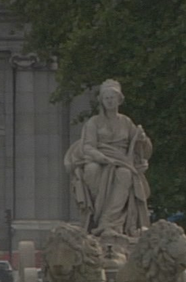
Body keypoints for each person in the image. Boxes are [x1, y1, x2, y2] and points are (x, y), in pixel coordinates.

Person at [63, 79, 153, 243]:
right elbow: (88, 147)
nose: (110, 101)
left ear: (119, 99)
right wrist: (102, 158)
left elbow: (140, 147)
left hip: (122, 161)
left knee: (125, 174)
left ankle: (109, 223)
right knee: (92, 170)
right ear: (102, 101)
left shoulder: (126, 122)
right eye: (106, 98)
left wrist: (142, 139)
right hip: (99, 158)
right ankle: (98, 216)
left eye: (113, 97)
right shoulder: (94, 123)